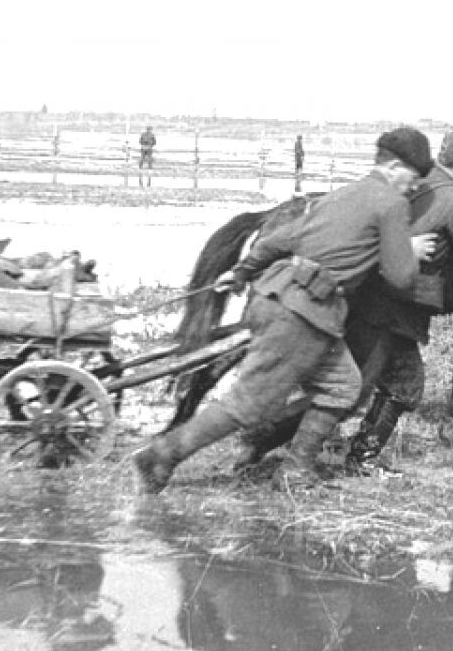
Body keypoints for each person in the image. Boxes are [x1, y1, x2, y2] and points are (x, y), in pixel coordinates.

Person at [131, 127, 437, 494]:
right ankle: (161, 456)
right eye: (413, 177)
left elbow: (282, 238)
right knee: (249, 405)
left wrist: (242, 272)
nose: (415, 187)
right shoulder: (391, 204)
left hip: (286, 301)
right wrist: (408, 249)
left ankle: (296, 470)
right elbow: (401, 277)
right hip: (301, 316)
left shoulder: (341, 195)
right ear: (393, 166)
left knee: (343, 387)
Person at [233, 124, 453, 476]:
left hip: (369, 298)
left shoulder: (424, 180)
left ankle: (287, 445)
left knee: (361, 388)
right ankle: (329, 453)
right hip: (391, 307)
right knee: (389, 387)